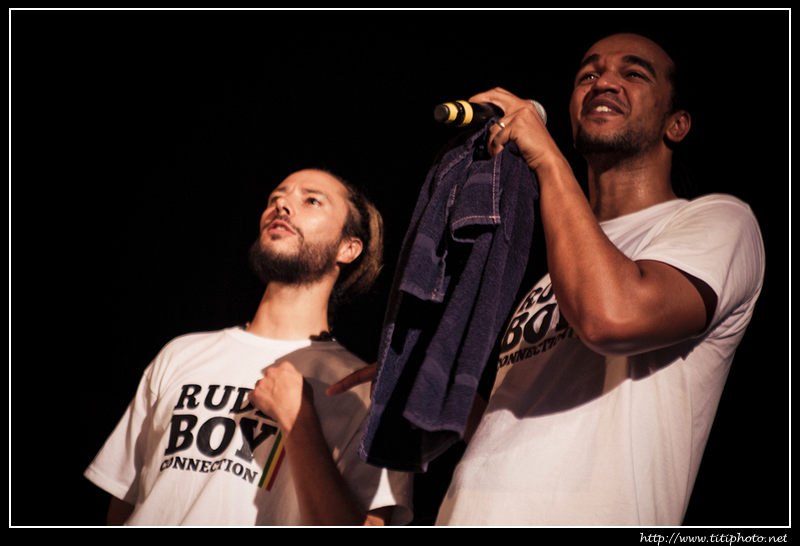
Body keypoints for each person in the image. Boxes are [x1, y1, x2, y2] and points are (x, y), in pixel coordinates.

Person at [331, 33, 765, 526]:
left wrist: (547, 160)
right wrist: (421, 382)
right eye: (588, 74)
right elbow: (516, 422)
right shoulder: (555, 270)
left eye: (633, 73)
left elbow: (611, 317)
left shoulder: (718, 221)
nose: (604, 82)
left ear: (677, 123)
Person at [84, 168, 413, 526]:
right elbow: (124, 502)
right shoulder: (180, 353)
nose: (282, 204)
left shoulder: (364, 392)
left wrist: (300, 423)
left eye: (311, 200)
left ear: (348, 248)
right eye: (276, 197)